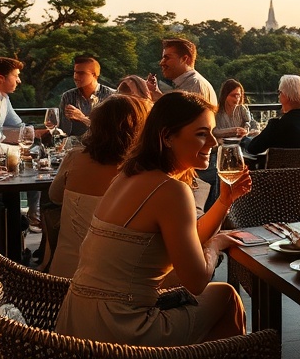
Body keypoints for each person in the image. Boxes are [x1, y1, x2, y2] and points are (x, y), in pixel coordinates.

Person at [56, 92, 250, 346]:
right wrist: (214, 246)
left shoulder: (127, 175)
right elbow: (197, 280)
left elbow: (186, 242)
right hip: (119, 329)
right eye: (202, 134)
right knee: (225, 296)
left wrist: (224, 201)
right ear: (167, 137)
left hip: (76, 322)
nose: (213, 142)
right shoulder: (171, 190)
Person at [48, 95, 151, 278]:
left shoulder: (74, 158)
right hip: (113, 281)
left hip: (62, 275)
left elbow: (54, 197)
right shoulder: (144, 173)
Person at [0, 56, 44, 227]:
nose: (19, 80)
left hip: (0, 150)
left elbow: (19, 126)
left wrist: (41, 132)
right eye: (16, 75)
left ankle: (33, 213)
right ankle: (23, 221)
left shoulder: (4, 97)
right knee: (32, 158)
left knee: (36, 154)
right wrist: (35, 133)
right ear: (1, 78)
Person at [201, 79, 252, 210]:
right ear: (225, 95)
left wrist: (244, 130)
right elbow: (215, 131)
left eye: (239, 95)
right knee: (218, 176)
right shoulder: (217, 112)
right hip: (221, 149)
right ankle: (215, 209)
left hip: (239, 148)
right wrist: (234, 130)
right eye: (233, 95)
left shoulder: (242, 109)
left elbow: (249, 123)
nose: (237, 98)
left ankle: (233, 209)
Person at [244, 75, 300, 156]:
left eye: (280, 92)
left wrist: (245, 139)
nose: (279, 96)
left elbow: (252, 149)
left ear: (286, 97)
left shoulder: (277, 125)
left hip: (280, 168)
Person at [146, 38, 217, 105]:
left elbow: (177, 115)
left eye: (167, 58)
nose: (161, 63)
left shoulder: (193, 85)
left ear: (184, 59)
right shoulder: (189, 84)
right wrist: (154, 92)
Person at [58, 55, 115, 137]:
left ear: (94, 75)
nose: (76, 77)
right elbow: (64, 132)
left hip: (104, 146)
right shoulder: (68, 96)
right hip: (74, 148)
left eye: (81, 73)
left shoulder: (111, 96)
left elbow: (112, 130)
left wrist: (82, 118)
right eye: (75, 72)